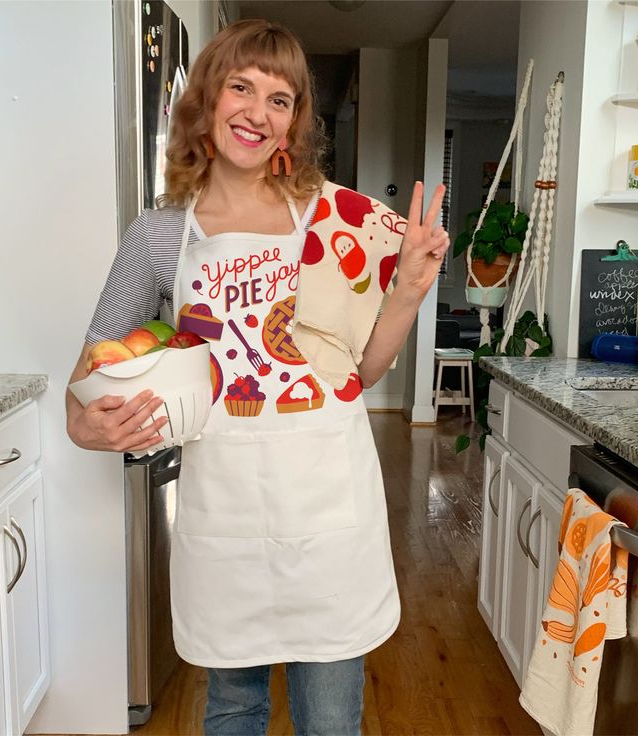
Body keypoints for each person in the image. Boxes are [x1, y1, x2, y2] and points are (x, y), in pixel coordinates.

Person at [66, 19, 449, 736]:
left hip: (328, 511)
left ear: (295, 121)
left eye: (281, 98)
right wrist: (86, 422)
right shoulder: (158, 235)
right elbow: (86, 379)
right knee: (233, 706)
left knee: (331, 717)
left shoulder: (334, 220)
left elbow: (359, 374)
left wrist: (407, 291)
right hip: (226, 514)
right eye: (242, 86)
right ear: (207, 99)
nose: (258, 111)